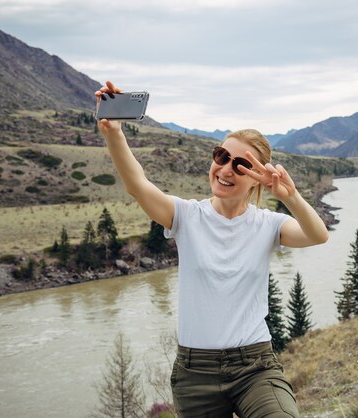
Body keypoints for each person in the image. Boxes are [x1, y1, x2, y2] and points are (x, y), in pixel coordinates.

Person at [96, 81, 328, 417]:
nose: (224, 169)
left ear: (256, 178)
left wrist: (290, 197)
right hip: (196, 373)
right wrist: (114, 133)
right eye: (221, 156)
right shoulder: (186, 216)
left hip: (255, 367)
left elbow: (317, 234)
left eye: (240, 165)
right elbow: (137, 185)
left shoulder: (269, 225)